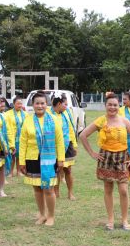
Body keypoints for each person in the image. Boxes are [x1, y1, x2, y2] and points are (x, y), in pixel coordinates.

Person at [80, 92, 130, 231]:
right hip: (105, 158)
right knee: (108, 189)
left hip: (122, 158)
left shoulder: (124, 121)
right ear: (105, 106)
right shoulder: (101, 121)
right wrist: (92, 153)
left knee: (123, 190)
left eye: (115, 105)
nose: (112, 107)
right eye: (110, 105)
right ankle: (110, 220)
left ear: (119, 106)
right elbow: (83, 135)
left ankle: (125, 220)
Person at [19, 91, 65, 226]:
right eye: (37, 103)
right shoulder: (27, 120)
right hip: (32, 158)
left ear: (47, 104)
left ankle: (51, 216)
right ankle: (42, 214)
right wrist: (22, 161)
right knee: (37, 188)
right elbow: (23, 142)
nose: (40, 106)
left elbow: (59, 140)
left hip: (49, 159)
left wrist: (61, 159)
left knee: (49, 188)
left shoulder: (54, 119)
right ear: (32, 105)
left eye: (42, 103)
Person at [49, 91, 78, 200]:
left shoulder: (66, 113)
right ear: (59, 103)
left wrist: (74, 144)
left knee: (68, 170)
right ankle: (56, 193)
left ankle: (70, 193)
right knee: (56, 170)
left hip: (67, 145)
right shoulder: (49, 114)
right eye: (64, 104)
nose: (66, 106)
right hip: (54, 146)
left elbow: (71, 129)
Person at [5, 96, 27, 177]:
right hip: (12, 137)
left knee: (19, 156)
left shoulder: (25, 114)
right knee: (12, 155)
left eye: (21, 103)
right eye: (18, 103)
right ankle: (10, 172)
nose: (20, 105)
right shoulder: (8, 114)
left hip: (22, 138)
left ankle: (19, 171)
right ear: (14, 104)